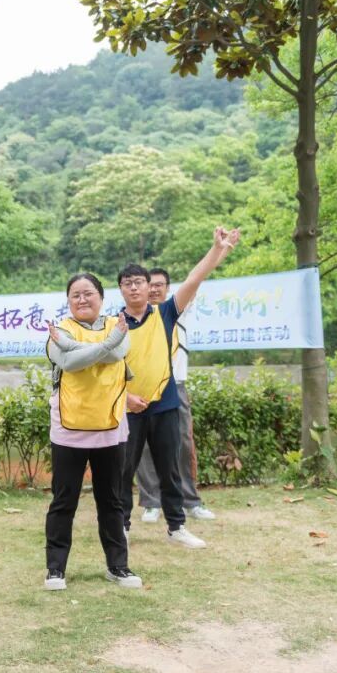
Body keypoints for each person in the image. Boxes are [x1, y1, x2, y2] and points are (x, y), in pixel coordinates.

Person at [117, 227, 240, 548]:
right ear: (121, 289)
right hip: (128, 407)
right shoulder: (113, 324)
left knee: (170, 467)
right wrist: (125, 397)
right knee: (123, 470)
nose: (134, 287)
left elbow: (195, 279)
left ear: (150, 287)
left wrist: (218, 250)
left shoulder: (166, 312)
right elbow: (105, 370)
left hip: (165, 404)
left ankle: (176, 527)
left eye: (139, 282)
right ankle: (121, 525)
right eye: (127, 283)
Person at [44, 273, 140, 590]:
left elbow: (115, 354)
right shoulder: (59, 330)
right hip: (68, 427)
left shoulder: (118, 325)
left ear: (101, 297)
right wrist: (104, 344)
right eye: (75, 295)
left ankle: (118, 566)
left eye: (88, 293)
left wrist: (80, 348)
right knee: (64, 500)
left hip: (110, 425)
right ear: (68, 301)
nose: (82, 299)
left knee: (111, 500)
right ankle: (55, 569)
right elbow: (69, 364)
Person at [136, 267, 216, 524]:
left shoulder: (177, 311)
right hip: (144, 390)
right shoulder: (136, 318)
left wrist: (217, 251)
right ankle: (151, 503)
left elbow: (195, 280)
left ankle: (190, 501)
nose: (154, 289)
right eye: (150, 284)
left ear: (168, 288)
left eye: (160, 285)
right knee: (143, 448)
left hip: (175, 386)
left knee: (183, 444)